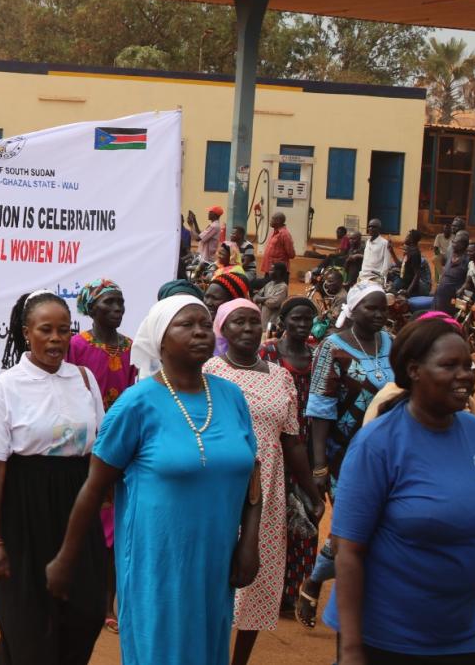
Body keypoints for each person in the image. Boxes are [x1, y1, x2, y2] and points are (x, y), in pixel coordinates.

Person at [47, 294, 261, 665]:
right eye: (186, 325)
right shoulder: (137, 403)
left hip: (215, 562)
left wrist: (249, 543)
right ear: (161, 340)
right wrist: (67, 559)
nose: (199, 332)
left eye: (202, 324)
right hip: (157, 564)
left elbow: (252, 478)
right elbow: (95, 487)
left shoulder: (231, 397)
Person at [329, 316, 475, 663]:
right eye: (450, 365)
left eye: (469, 365)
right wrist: (352, 649)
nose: (466, 375)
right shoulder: (378, 443)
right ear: (414, 370)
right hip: (387, 641)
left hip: (460, 638)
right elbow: (348, 551)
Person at [0, 291, 108, 664]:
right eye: (46, 330)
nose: (56, 339)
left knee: (85, 612)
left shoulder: (85, 380)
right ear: (26, 333)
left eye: (63, 330)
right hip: (23, 510)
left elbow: (98, 448)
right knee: (28, 622)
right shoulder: (6, 387)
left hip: (77, 507)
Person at [205, 300, 325, 665]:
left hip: (269, 488)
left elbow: (292, 440)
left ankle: (238, 661)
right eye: (237, 322)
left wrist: (310, 490)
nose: (247, 329)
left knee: (257, 578)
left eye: (254, 322)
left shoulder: (280, 376)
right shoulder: (211, 372)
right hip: (222, 487)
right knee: (217, 575)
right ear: (222, 330)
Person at [296, 281, 393, 629]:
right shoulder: (332, 348)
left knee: (376, 528)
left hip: (387, 455)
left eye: (383, 308)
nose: (380, 314)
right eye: (372, 308)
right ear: (353, 311)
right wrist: (319, 464)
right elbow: (320, 408)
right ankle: (339, 602)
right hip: (343, 456)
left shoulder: (390, 344)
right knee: (357, 528)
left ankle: (316, 580)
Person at [67, 278, 137, 634]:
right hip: (84, 443)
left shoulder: (131, 349)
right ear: (91, 308)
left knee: (116, 527)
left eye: (121, 302)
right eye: (109, 303)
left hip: (121, 446)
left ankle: (109, 600)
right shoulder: (77, 345)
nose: (118, 309)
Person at [259, 296, 321, 616]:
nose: (301, 324)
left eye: (307, 319)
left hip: (308, 447)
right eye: (295, 319)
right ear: (282, 320)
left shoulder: (316, 355)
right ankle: (268, 585)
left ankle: (292, 590)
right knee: (274, 518)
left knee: (307, 517)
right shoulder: (268, 353)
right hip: (275, 446)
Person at [432, 229, 470, 314]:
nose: (452, 244)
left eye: (455, 242)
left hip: (453, 300)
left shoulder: (467, 261)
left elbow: (469, 283)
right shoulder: (451, 254)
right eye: (453, 241)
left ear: (463, 245)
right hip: (440, 297)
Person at [253, 261, 290, 335]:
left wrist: (262, 299)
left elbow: (273, 303)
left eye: (272, 270)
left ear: (279, 272)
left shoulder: (283, 287)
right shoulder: (269, 284)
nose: (269, 272)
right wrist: (267, 298)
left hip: (272, 323)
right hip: (263, 321)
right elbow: (255, 298)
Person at [358, 219, 396, 283]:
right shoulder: (367, 242)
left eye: (374, 227)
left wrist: (381, 277)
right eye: (369, 226)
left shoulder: (384, 243)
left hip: (374, 278)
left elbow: (387, 263)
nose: (371, 228)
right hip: (362, 276)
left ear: (379, 229)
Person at [395, 229, 428, 295]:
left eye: (407, 236)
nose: (405, 238)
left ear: (411, 240)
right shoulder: (409, 250)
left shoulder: (414, 253)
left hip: (408, 286)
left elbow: (417, 274)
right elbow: (401, 265)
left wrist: (408, 292)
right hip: (403, 281)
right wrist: (391, 251)